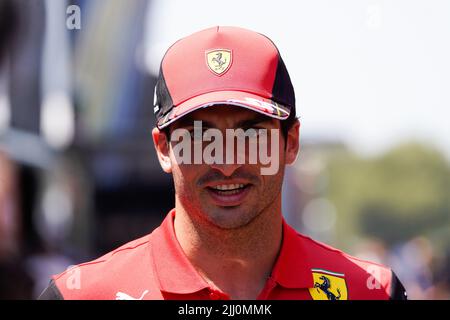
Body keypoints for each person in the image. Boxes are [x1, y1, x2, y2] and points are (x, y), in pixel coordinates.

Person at [39, 26, 407, 300]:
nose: (228, 164)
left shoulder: (372, 292)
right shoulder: (80, 296)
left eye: (250, 136)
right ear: (163, 148)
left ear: (290, 143)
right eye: (201, 137)